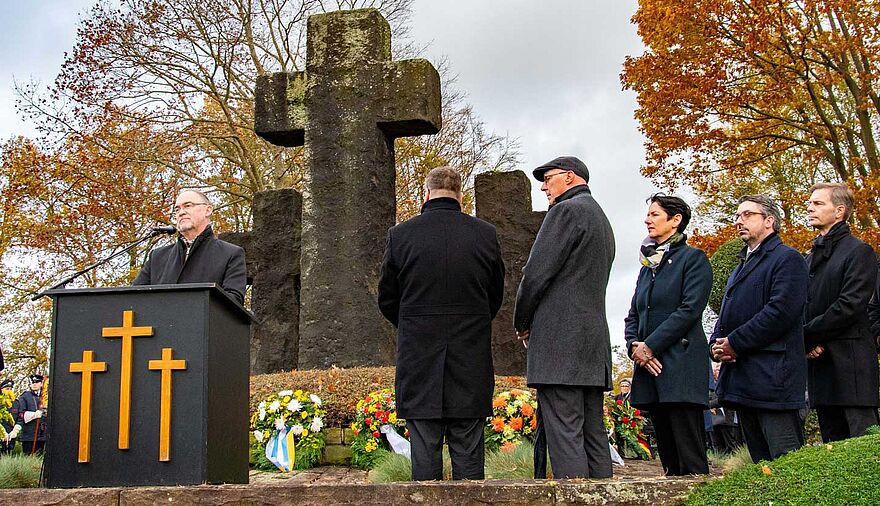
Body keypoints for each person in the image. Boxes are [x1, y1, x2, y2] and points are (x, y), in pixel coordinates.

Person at [377, 166, 505, 481]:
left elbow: (388, 299)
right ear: (461, 196)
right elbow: (494, 296)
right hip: (470, 359)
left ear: (426, 194)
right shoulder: (485, 235)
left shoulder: (401, 236)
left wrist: (414, 326)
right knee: (469, 457)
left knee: (424, 460)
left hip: (419, 360)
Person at [514, 155, 616, 479]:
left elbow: (534, 275)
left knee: (566, 435)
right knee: (592, 435)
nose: (543, 187)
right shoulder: (600, 217)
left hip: (560, 345)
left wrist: (522, 323)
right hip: (591, 343)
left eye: (548, 179)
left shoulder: (565, 211)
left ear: (569, 177)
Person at [710, 195, 809, 463]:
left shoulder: (788, 259)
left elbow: (780, 312)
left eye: (747, 215)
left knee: (785, 465)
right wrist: (716, 346)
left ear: (769, 221)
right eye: (737, 216)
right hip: (744, 381)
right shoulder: (740, 265)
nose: (739, 220)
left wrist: (735, 343)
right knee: (760, 467)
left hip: (774, 380)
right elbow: (726, 314)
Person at [624, 194, 712, 475]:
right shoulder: (648, 266)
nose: (647, 220)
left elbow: (689, 310)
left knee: (690, 458)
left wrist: (650, 346)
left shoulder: (693, 259)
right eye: (647, 215)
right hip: (650, 368)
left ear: (675, 221)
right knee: (669, 461)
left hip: (679, 365)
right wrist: (634, 347)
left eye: (654, 215)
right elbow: (634, 313)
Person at [803, 183, 879, 442]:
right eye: (810, 203)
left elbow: (850, 305)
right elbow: (804, 303)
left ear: (839, 211)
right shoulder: (809, 258)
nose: (809, 207)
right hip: (821, 365)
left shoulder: (859, 251)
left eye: (818, 203)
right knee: (831, 445)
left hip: (851, 365)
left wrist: (809, 335)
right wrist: (807, 339)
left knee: (862, 444)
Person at [133, 189, 247, 304]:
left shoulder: (230, 254)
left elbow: (234, 302)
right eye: (177, 209)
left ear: (208, 210)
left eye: (188, 206)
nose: (181, 212)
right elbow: (133, 298)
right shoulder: (157, 257)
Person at [9, 374, 48, 455]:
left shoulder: (44, 397)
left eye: (37, 382)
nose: (34, 384)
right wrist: (34, 415)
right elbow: (21, 414)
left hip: (42, 434)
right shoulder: (25, 396)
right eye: (32, 382)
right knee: (28, 456)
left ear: (41, 384)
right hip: (29, 435)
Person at [0, 379, 14, 455]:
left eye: (10, 389)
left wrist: (15, 431)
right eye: (7, 389)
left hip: (11, 435)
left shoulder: (16, 403)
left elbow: (19, 418)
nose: (9, 391)